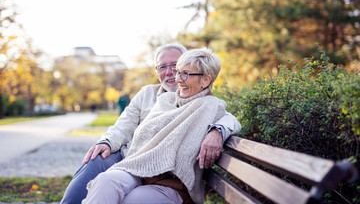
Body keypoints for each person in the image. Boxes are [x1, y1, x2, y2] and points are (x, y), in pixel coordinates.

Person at [61, 44, 241, 204]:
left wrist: (217, 131)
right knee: (104, 180)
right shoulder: (164, 99)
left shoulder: (211, 107)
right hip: (135, 165)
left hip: (169, 183)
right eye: (166, 68)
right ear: (156, 70)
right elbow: (123, 126)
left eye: (181, 71)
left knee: (133, 199)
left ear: (206, 80)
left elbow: (229, 119)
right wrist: (106, 142)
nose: (175, 77)